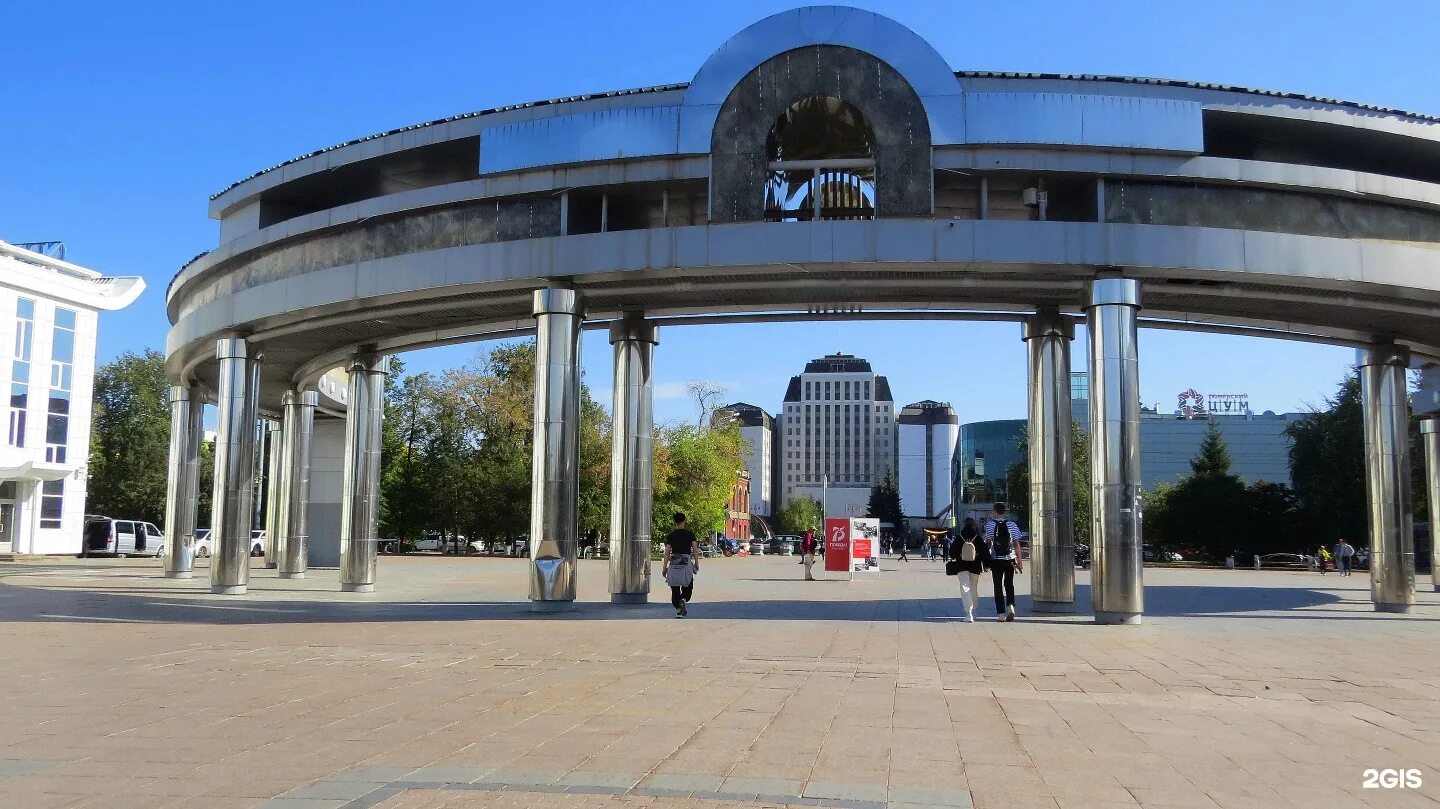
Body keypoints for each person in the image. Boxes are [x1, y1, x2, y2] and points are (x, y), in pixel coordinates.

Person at [984, 502, 1023, 622]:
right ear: (1004, 511)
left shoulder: (990, 525)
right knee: (1009, 584)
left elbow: (988, 543)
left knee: (997, 586)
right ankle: (1011, 607)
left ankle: (1001, 614)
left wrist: (986, 560)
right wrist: (1019, 561)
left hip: (996, 560)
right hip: (1009, 559)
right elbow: (1016, 544)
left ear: (995, 512)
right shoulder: (1012, 524)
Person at [949, 518, 986, 622]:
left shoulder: (959, 537)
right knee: (973, 588)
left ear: (964, 525)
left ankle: (968, 613)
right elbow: (984, 552)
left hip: (961, 566)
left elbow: (952, 552)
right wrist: (987, 564)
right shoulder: (977, 537)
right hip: (975, 567)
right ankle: (974, 611)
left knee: (965, 588)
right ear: (974, 525)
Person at [662, 512, 699, 617]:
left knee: (674, 588)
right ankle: (684, 599)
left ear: (675, 522)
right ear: (684, 521)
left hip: (674, 563)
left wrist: (665, 568)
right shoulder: (690, 535)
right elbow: (695, 549)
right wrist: (696, 563)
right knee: (688, 585)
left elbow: (667, 552)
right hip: (686, 562)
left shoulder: (671, 536)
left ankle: (678, 610)